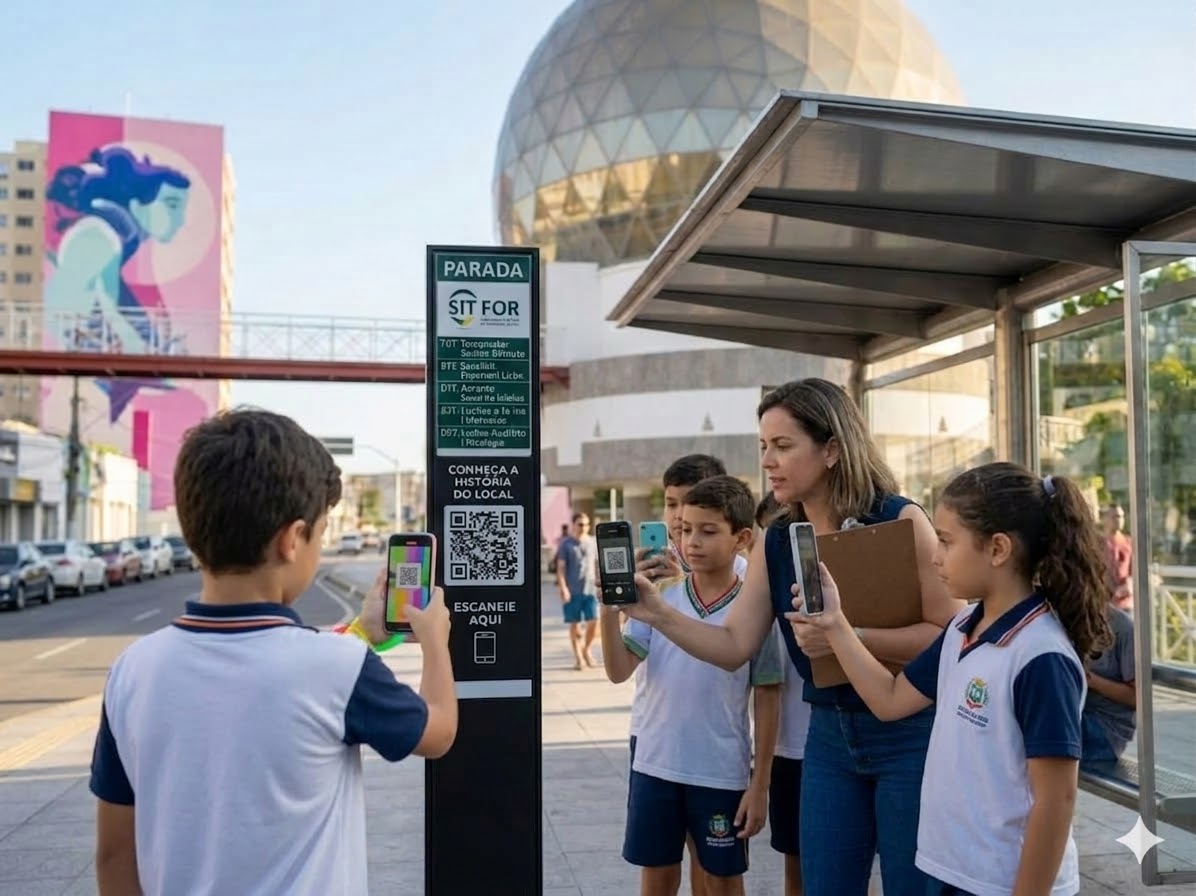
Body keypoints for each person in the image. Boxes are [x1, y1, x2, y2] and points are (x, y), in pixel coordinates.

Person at [89, 409, 458, 896]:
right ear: (292, 539)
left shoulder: (133, 670)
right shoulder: (339, 669)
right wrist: (434, 643)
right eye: (321, 534)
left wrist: (363, 631)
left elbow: (114, 854)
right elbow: (437, 731)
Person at [627, 378, 962, 896]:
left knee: (912, 886)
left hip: (909, 736)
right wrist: (656, 614)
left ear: (831, 449)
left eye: (783, 446)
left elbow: (948, 637)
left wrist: (848, 637)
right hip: (826, 736)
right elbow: (735, 645)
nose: (768, 461)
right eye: (764, 446)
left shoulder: (900, 519)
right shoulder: (777, 537)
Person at [790, 462, 1112, 896]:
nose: (936, 556)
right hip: (951, 871)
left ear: (998, 549)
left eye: (946, 541)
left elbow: (1056, 801)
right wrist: (836, 624)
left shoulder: (1041, 656)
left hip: (1002, 883)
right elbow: (889, 700)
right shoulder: (962, 628)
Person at [604, 475, 781, 896]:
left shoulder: (753, 611)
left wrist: (759, 787)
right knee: (658, 878)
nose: (691, 542)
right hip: (654, 765)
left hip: (720, 771)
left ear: (741, 539)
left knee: (721, 881)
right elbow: (617, 670)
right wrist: (609, 611)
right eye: (684, 529)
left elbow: (769, 696)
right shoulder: (659, 595)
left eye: (707, 531)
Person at [621, 454, 744, 896]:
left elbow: (765, 683)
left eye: (693, 510)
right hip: (654, 738)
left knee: (713, 869)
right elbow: (620, 665)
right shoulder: (651, 580)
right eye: (672, 506)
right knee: (658, 867)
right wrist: (616, 600)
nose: (679, 520)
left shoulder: (747, 583)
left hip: (716, 752)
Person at [755, 494, 810, 896]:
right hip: (787, 750)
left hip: (830, 743)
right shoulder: (757, 598)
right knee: (795, 862)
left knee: (849, 867)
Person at [1081, 599, 1137, 764]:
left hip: (1106, 729)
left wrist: (1090, 680)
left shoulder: (1123, 627)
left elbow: (1137, 697)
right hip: (1078, 715)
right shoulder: (1064, 620)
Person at [556, 511, 599, 669]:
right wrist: (563, 588)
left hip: (591, 590)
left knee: (593, 622)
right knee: (574, 624)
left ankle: (586, 649)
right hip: (572, 590)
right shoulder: (566, 544)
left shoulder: (593, 542)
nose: (584, 527)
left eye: (587, 524)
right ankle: (579, 657)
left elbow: (596, 565)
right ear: (573, 524)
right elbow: (561, 568)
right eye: (581, 524)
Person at [1102, 504, 1133, 611]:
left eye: (1121, 516)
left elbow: (1135, 571)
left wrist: (1129, 584)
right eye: (1115, 516)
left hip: (1125, 603)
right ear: (1105, 519)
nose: (1119, 520)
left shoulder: (1129, 543)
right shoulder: (1097, 543)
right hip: (1105, 603)